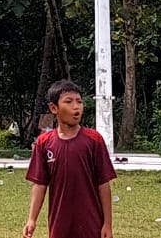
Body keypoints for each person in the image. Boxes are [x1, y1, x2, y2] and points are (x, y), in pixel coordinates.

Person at [24, 80, 117, 238]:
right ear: (54, 108)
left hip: (91, 225)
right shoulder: (44, 143)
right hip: (59, 224)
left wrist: (107, 224)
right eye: (69, 102)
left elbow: (103, 184)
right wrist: (32, 219)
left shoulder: (94, 140)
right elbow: (40, 184)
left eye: (79, 102)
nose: (76, 107)